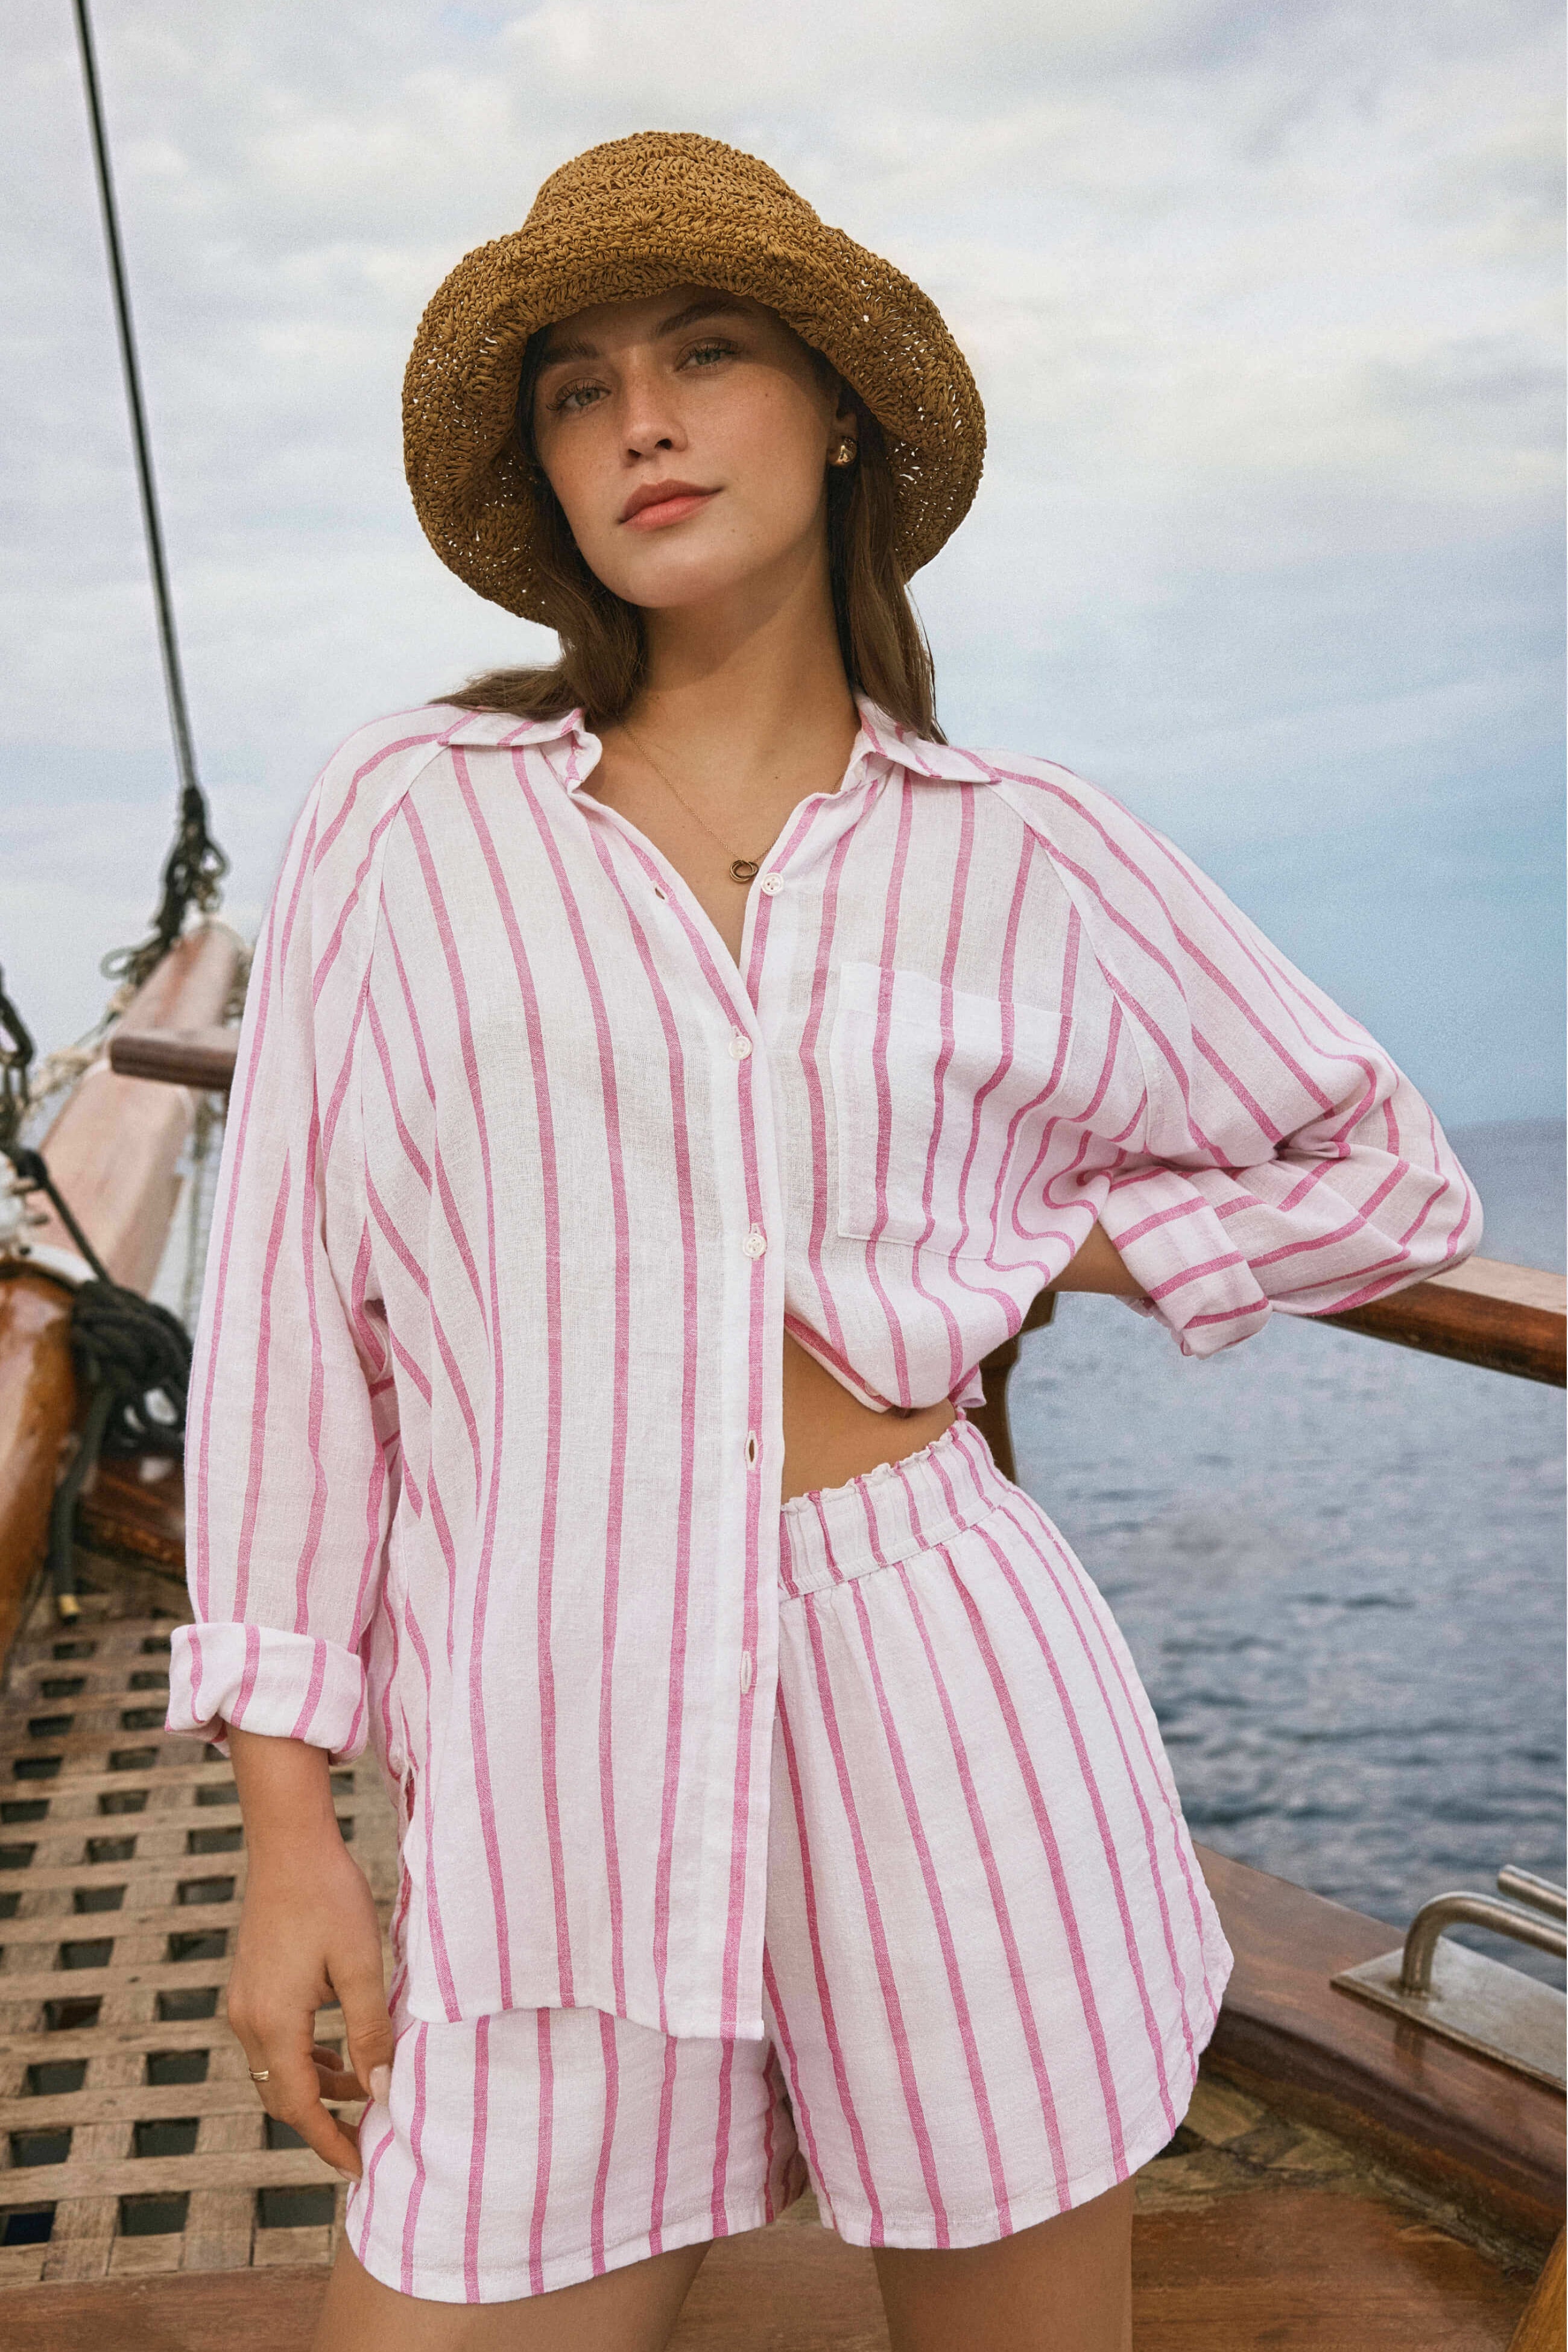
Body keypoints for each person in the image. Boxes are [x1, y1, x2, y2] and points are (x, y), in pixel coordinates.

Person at [163, 132, 1481, 2350]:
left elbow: (1386, 1172)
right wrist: (289, 1827)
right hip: (548, 1722)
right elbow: (295, 1318)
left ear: (841, 404)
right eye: (578, 388)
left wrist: (1046, 1240)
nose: (642, 420)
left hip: (942, 1681)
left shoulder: (1025, 853)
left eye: (707, 354)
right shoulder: (414, 816)